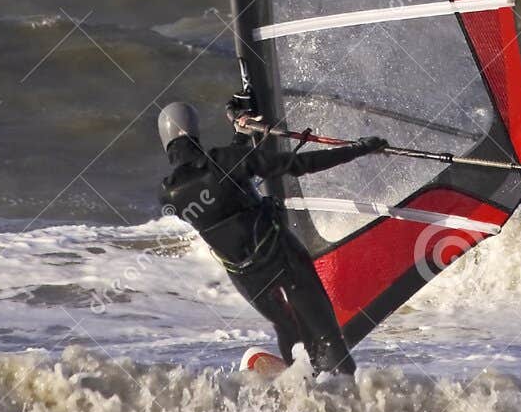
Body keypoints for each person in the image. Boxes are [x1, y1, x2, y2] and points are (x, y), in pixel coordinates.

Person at [158, 99, 388, 377]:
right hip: (281, 257)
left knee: (287, 326)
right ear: (195, 131)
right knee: (328, 337)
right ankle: (345, 397)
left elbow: (219, 181)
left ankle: (298, 386)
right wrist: (359, 149)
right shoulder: (226, 161)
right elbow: (301, 163)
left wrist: (241, 140)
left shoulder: (168, 195)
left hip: (246, 276)